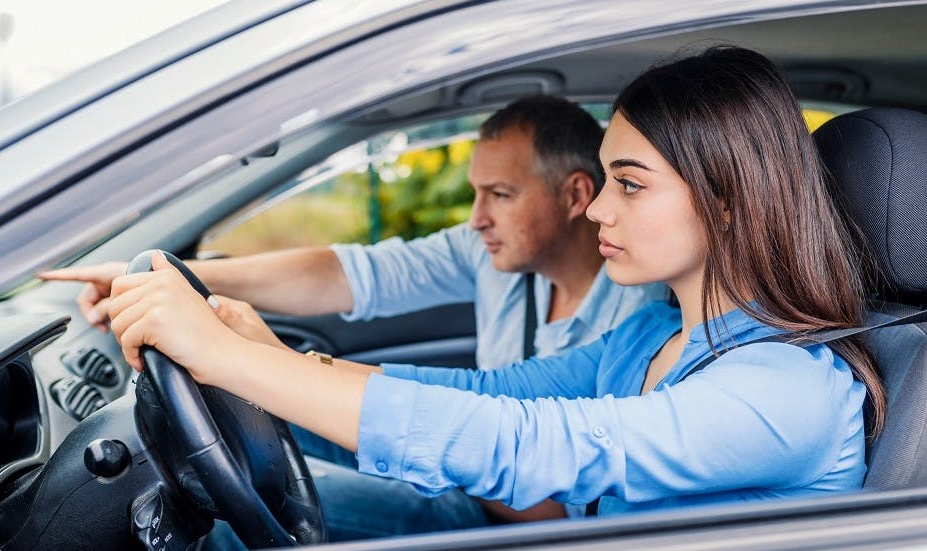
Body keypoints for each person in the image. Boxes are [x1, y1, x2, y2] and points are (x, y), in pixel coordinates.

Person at [109, 44, 889, 542]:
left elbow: (532, 448)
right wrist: (268, 358)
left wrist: (227, 358)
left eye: (629, 184)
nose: (599, 209)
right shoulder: (655, 335)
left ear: (725, 199)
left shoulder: (787, 391)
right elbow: (486, 395)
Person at [41, 95, 666, 529]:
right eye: (477, 193)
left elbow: (549, 504)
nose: (476, 218)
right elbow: (351, 274)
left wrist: (262, 363)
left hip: (507, 511)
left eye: (499, 196)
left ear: (575, 196)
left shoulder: (640, 326)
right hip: (461, 463)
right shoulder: (492, 255)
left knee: (230, 510)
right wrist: (183, 278)